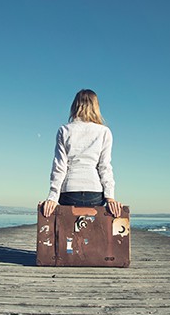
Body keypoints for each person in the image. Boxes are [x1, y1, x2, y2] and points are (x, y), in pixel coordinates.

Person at [43, 89, 122, 218]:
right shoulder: (104, 132)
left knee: (68, 233)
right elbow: (104, 167)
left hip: (69, 192)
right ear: (96, 107)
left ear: (75, 106)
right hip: (95, 193)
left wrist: (53, 196)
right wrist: (110, 197)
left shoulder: (64, 130)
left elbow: (59, 167)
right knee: (92, 233)